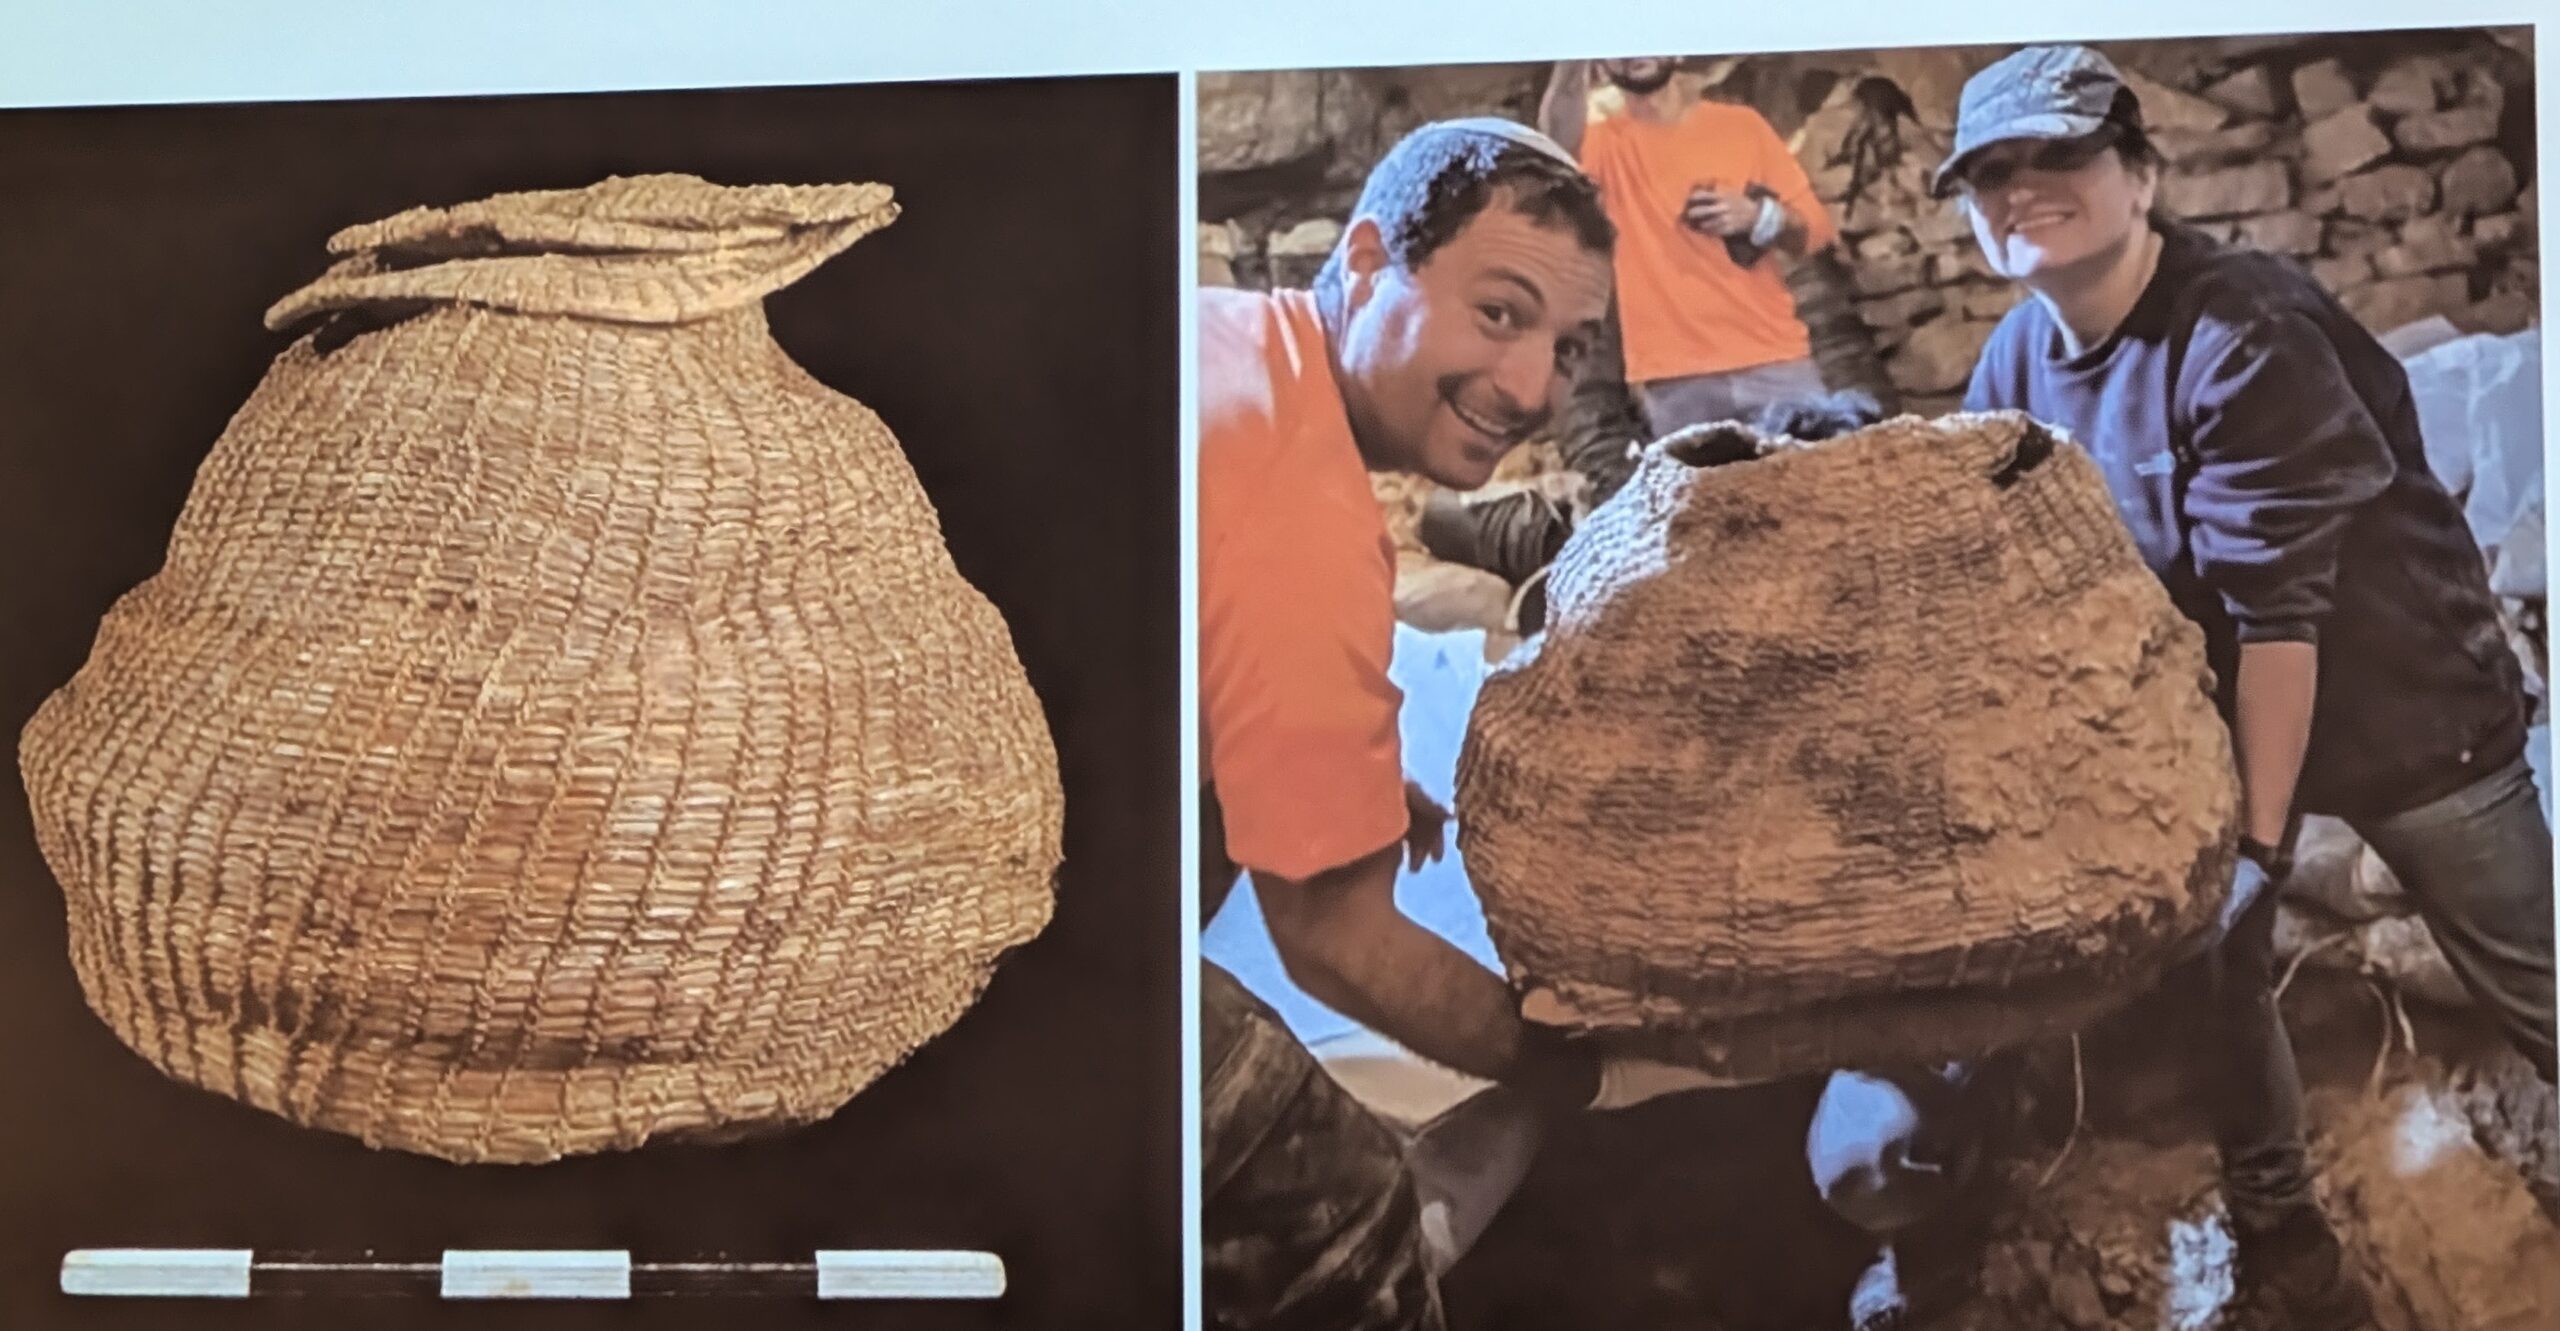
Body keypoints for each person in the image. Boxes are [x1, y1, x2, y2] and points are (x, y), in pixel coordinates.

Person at [1813, 43, 2558, 1331]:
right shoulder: (2016, 368)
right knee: (2223, 985)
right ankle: (2284, 1240)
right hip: (2205, 728)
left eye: (2060, 156)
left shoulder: (2239, 332)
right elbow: (1999, 576)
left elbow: (2280, 620)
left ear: (2142, 174)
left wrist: (2256, 845)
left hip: (2402, 712)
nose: (2021, 189)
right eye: (1989, 173)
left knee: (2532, 969)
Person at [1197, 118, 1734, 1328]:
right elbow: (1330, 936)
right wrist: (1584, 1070)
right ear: (1374, 256)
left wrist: (1345, 784)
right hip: (952, 939)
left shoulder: (1221, 340)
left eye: (1567, 346)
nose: (1532, 388)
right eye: (1499, 313)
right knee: (1341, 1216)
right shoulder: (1296, 499)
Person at [1418, 56, 1848, 616]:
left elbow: (1813, 231)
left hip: (1777, 360)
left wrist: (1757, 216)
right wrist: (1574, 57)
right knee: (1714, 553)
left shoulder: (1738, 128)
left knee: (1827, 527)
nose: (1635, 50)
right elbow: (1554, 148)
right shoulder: (1602, 145)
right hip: (1675, 380)